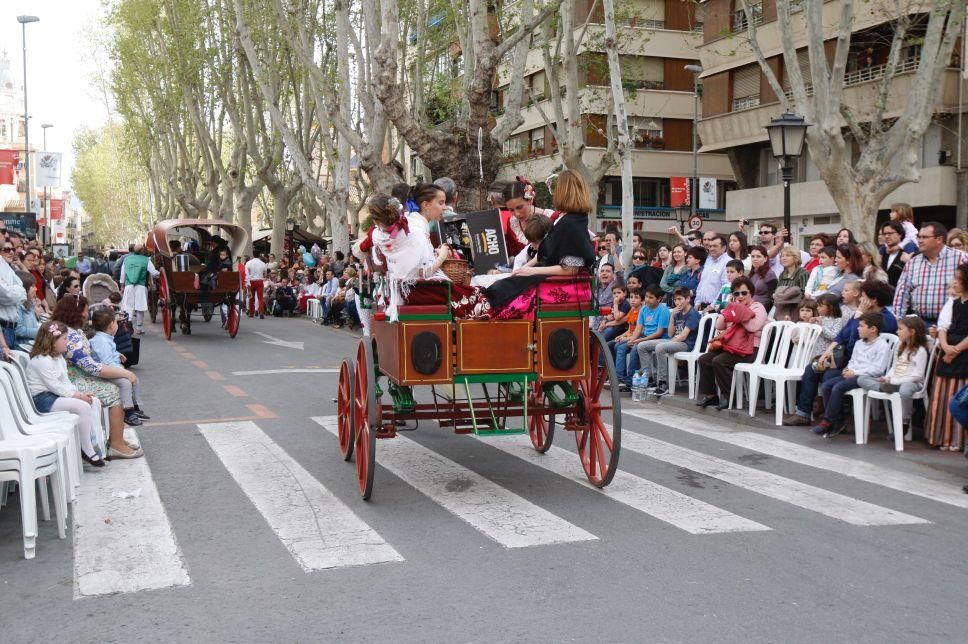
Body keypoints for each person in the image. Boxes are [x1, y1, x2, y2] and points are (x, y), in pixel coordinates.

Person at [485, 170, 597, 319]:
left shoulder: (570, 223)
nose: (553, 193)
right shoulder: (566, 219)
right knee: (499, 287)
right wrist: (524, 269)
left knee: (501, 294)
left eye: (556, 189)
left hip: (559, 283)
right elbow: (544, 253)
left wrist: (531, 272)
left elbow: (570, 268)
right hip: (546, 274)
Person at [784, 280, 898, 426]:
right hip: (845, 359)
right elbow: (843, 334)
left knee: (828, 376)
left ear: (873, 300)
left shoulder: (884, 319)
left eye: (863, 296)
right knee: (812, 368)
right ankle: (803, 413)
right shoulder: (863, 314)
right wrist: (828, 351)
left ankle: (835, 418)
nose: (861, 299)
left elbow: (854, 339)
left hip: (862, 366)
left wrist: (858, 316)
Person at [49, 296, 142, 459]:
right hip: (73, 380)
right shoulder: (70, 335)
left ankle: (115, 439)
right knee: (115, 392)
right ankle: (116, 444)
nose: (87, 315)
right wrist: (124, 372)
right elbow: (91, 367)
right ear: (77, 312)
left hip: (80, 375)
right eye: (85, 311)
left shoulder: (74, 331)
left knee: (119, 385)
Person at [27, 321, 106, 467]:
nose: (67, 342)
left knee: (92, 401)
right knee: (82, 406)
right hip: (43, 399)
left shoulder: (58, 357)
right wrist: (78, 396)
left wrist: (80, 393)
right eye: (64, 338)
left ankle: (94, 443)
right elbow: (56, 386)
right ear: (51, 340)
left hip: (55, 395)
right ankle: (86, 448)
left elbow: (65, 381)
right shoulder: (42, 360)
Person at [812, 312, 893, 437]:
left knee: (838, 387)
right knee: (827, 385)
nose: (857, 328)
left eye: (861, 326)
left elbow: (878, 369)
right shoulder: (859, 343)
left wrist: (855, 372)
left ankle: (828, 421)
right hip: (852, 373)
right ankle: (838, 420)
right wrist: (847, 369)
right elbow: (853, 361)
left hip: (867, 378)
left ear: (873, 329)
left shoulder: (882, 345)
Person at [695, 276, 769, 410]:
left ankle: (728, 397)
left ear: (751, 293)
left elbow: (753, 327)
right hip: (732, 346)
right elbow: (719, 325)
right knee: (704, 359)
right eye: (736, 293)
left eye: (744, 293)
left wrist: (739, 313)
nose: (740, 296)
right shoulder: (733, 307)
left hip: (752, 349)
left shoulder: (758, 307)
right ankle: (711, 396)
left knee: (719, 361)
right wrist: (729, 310)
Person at [857, 315, 930, 436]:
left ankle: (904, 421)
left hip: (912, 383)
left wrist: (895, 380)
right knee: (862, 379)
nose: (897, 331)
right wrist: (887, 378)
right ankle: (886, 387)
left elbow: (917, 375)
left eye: (900, 329)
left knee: (905, 389)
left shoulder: (920, 350)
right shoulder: (899, 346)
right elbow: (894, 367)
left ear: (912, 332)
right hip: (894, 381)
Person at [926, 264, 968, 451]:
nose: (955, 283)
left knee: (959, 396)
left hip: (964, 353)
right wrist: (945, 346)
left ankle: (959, 440)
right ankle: (942, 436)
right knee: (943, 394)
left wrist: (956, 349)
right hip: (948, 348)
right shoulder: (953, 301)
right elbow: (943, 326)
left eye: (959, 279)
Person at [893, 222, 968, 326]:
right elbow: (901, 293)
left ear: (939, 239)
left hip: (953, 323)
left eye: (924, 237)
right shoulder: (912, 263)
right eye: (919, 237)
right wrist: (899, 321)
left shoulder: (961, 258)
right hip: (920, 324)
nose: (919, 240)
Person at [90, 308, 149, 427]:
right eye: (116, 322)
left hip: (112, 368)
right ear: (111, 325)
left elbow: (109, 352)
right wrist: (121, 371)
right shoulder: (101, 341)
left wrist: (117, 354)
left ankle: (135, 406)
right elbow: (105, 362)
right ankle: (128, 412)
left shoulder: (105, 338)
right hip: (105, 371)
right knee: (125, 383)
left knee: (134, 380)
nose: (117, 325)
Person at [639, 286, 701, 396]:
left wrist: (668, 342)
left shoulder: (693, 314)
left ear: (687, 299)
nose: (677, 302)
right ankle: (648, 378)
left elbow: (683, 336)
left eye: (680, 299)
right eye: (675, 299)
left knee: (660, 347)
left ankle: (663, 383)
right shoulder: (677, 313)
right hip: (674, 341)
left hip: (686, 344)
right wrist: (672, 316)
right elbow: (670, 333)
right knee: (642, 346)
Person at [613, 285, 670, 389]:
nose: (647, 299)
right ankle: (619, 378)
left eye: (651, 297)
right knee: (621, 347)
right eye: (647, 296)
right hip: (645, 336)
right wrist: (632, 339)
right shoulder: (644, 309)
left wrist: (639, 340)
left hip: (658, 338)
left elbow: (659, 332)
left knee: (636, 348)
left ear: (659, 299)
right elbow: (638, 329)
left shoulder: (663, 309)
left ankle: (631, 379)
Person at [502, 177, 550, 258]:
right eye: (511, 210)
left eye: (519, 207)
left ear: (530, 200)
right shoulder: (512, 223)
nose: (516, 214)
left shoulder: (551, 217)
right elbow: (513, 255)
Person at [119, 245, 158, 335]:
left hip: (129, 286)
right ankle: (139, 328)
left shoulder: (126, 260)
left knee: (129, 306)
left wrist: (122, 286)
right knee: (140, 307)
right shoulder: (146, 260)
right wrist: (159, 274)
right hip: (141, 286)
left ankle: (128, 323)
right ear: (142, 251)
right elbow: (154, 273)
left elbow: (122, 274)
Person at [0, 239, 27, 353]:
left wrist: (19, 290)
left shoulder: (8, 268)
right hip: (3, 329)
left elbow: (23, 291)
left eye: (13, 249)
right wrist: (19, 290)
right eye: (7, 250)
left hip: (11, 328)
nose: (11, 252)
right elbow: (7, 295)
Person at [694, 233, 730, 311]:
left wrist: (713, 305)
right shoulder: (709, 260)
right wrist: (697, 302)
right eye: (710, 246)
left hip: (716, 308)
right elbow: (702, 283)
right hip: (702, 307)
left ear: (724, 248)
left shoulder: (728, 262)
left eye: (715, 246)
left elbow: (726, 287)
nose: (712, 248)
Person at [773, 246, 809, 320]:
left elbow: (803, 294)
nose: (784, 258)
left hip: (797, 309)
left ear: (795, 257)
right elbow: (777, 293)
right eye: (782, 256)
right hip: (782, 309)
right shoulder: (782, 274)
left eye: (788, 255)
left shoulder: (803, 272)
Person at [879, 221, 910, 287]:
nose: (887, 236)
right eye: (885, 234)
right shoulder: (882, 253)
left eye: (890, 233)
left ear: (900, 234)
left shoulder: (907, 253)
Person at [748, 245, 777, 312]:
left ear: (765, 258)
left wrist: (761, 311)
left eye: (758, 256)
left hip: (761, 311)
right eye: (753, 256)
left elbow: (772, 299)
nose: (755, 259)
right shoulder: (752, 274)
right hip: (749, 308)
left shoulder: (770, 274)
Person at [245, 253, 268, 318]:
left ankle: (251, 313)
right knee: (260, 298)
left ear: (253, 255)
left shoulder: (248, 263)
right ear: (259, 256)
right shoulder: (263, 263)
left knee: (251, 298)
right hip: (259, 281)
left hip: (251, 281)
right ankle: (261, 312)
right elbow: (265, 274)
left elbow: (246, 273)